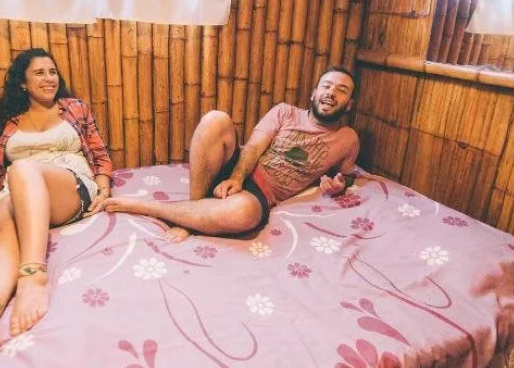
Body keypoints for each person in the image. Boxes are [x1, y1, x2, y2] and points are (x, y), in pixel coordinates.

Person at [0, 48, 113, 353]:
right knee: (4, 240)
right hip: (15, 192)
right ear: (23, 83)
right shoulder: (7, 122)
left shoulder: (75, 109)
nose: (49, 78)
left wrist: (103, 188)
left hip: (66, 185)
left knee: (23, 168)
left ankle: (33, 275)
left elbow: (100, 152)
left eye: (52, 72)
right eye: (39, 73)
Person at [104, 67, 360, 241]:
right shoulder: (285, 112)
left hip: (262, 193)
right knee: (215, 119)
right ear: (314, 93)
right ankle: (192, 214)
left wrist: (340, 184)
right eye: (326, 86)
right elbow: (254, 147)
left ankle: (149, 207)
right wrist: (236, 177)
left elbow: (347, 175)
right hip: (239, 165)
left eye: (341, 90)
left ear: (348, 104)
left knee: (243, 214)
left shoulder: (348, 139)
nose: (331, 93)